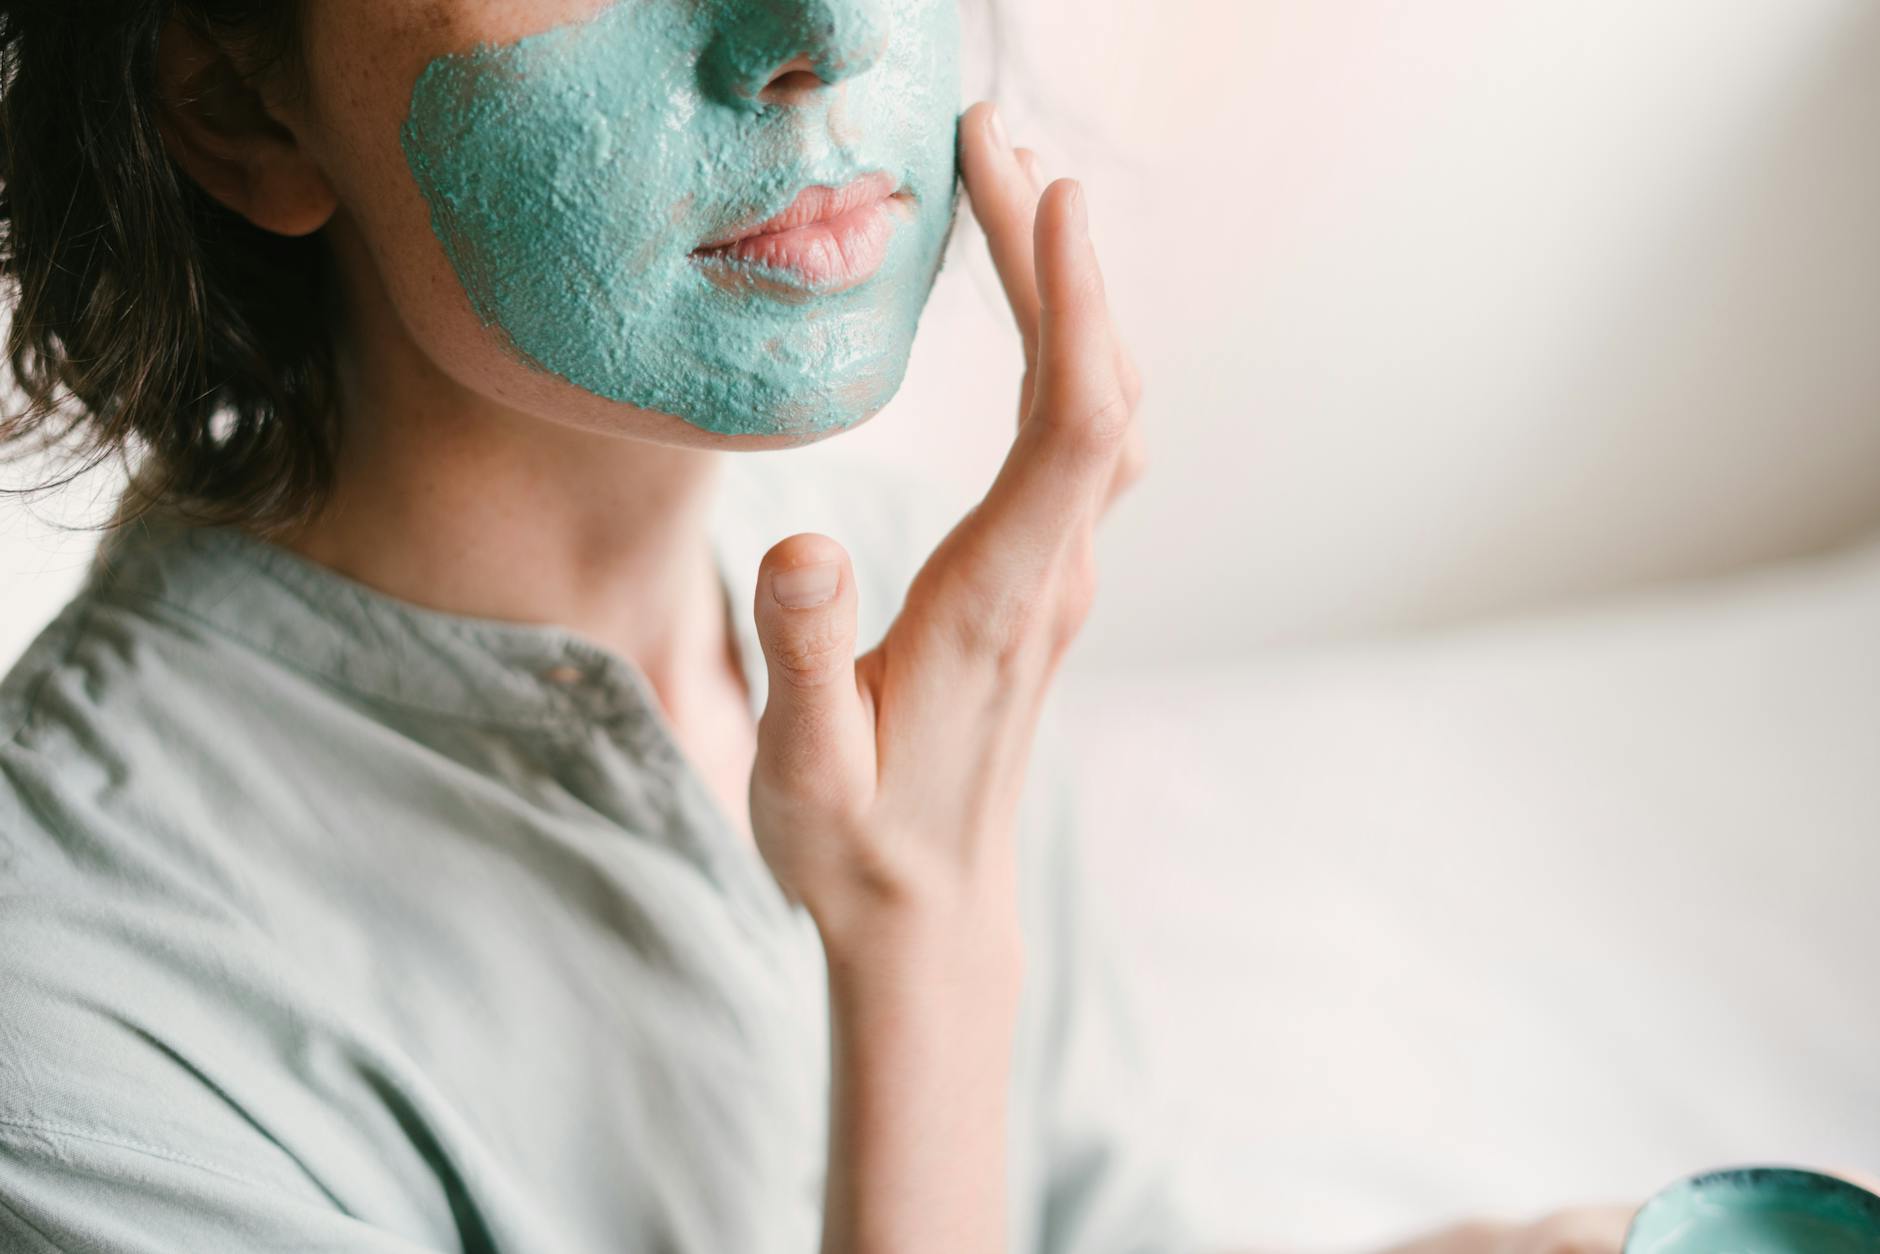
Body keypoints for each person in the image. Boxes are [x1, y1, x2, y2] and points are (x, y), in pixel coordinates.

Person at [0, 1, 1643, 1250]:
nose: (822, 33)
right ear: (235, 107)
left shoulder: (911, 589)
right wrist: (919, 949)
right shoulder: (73, 996)